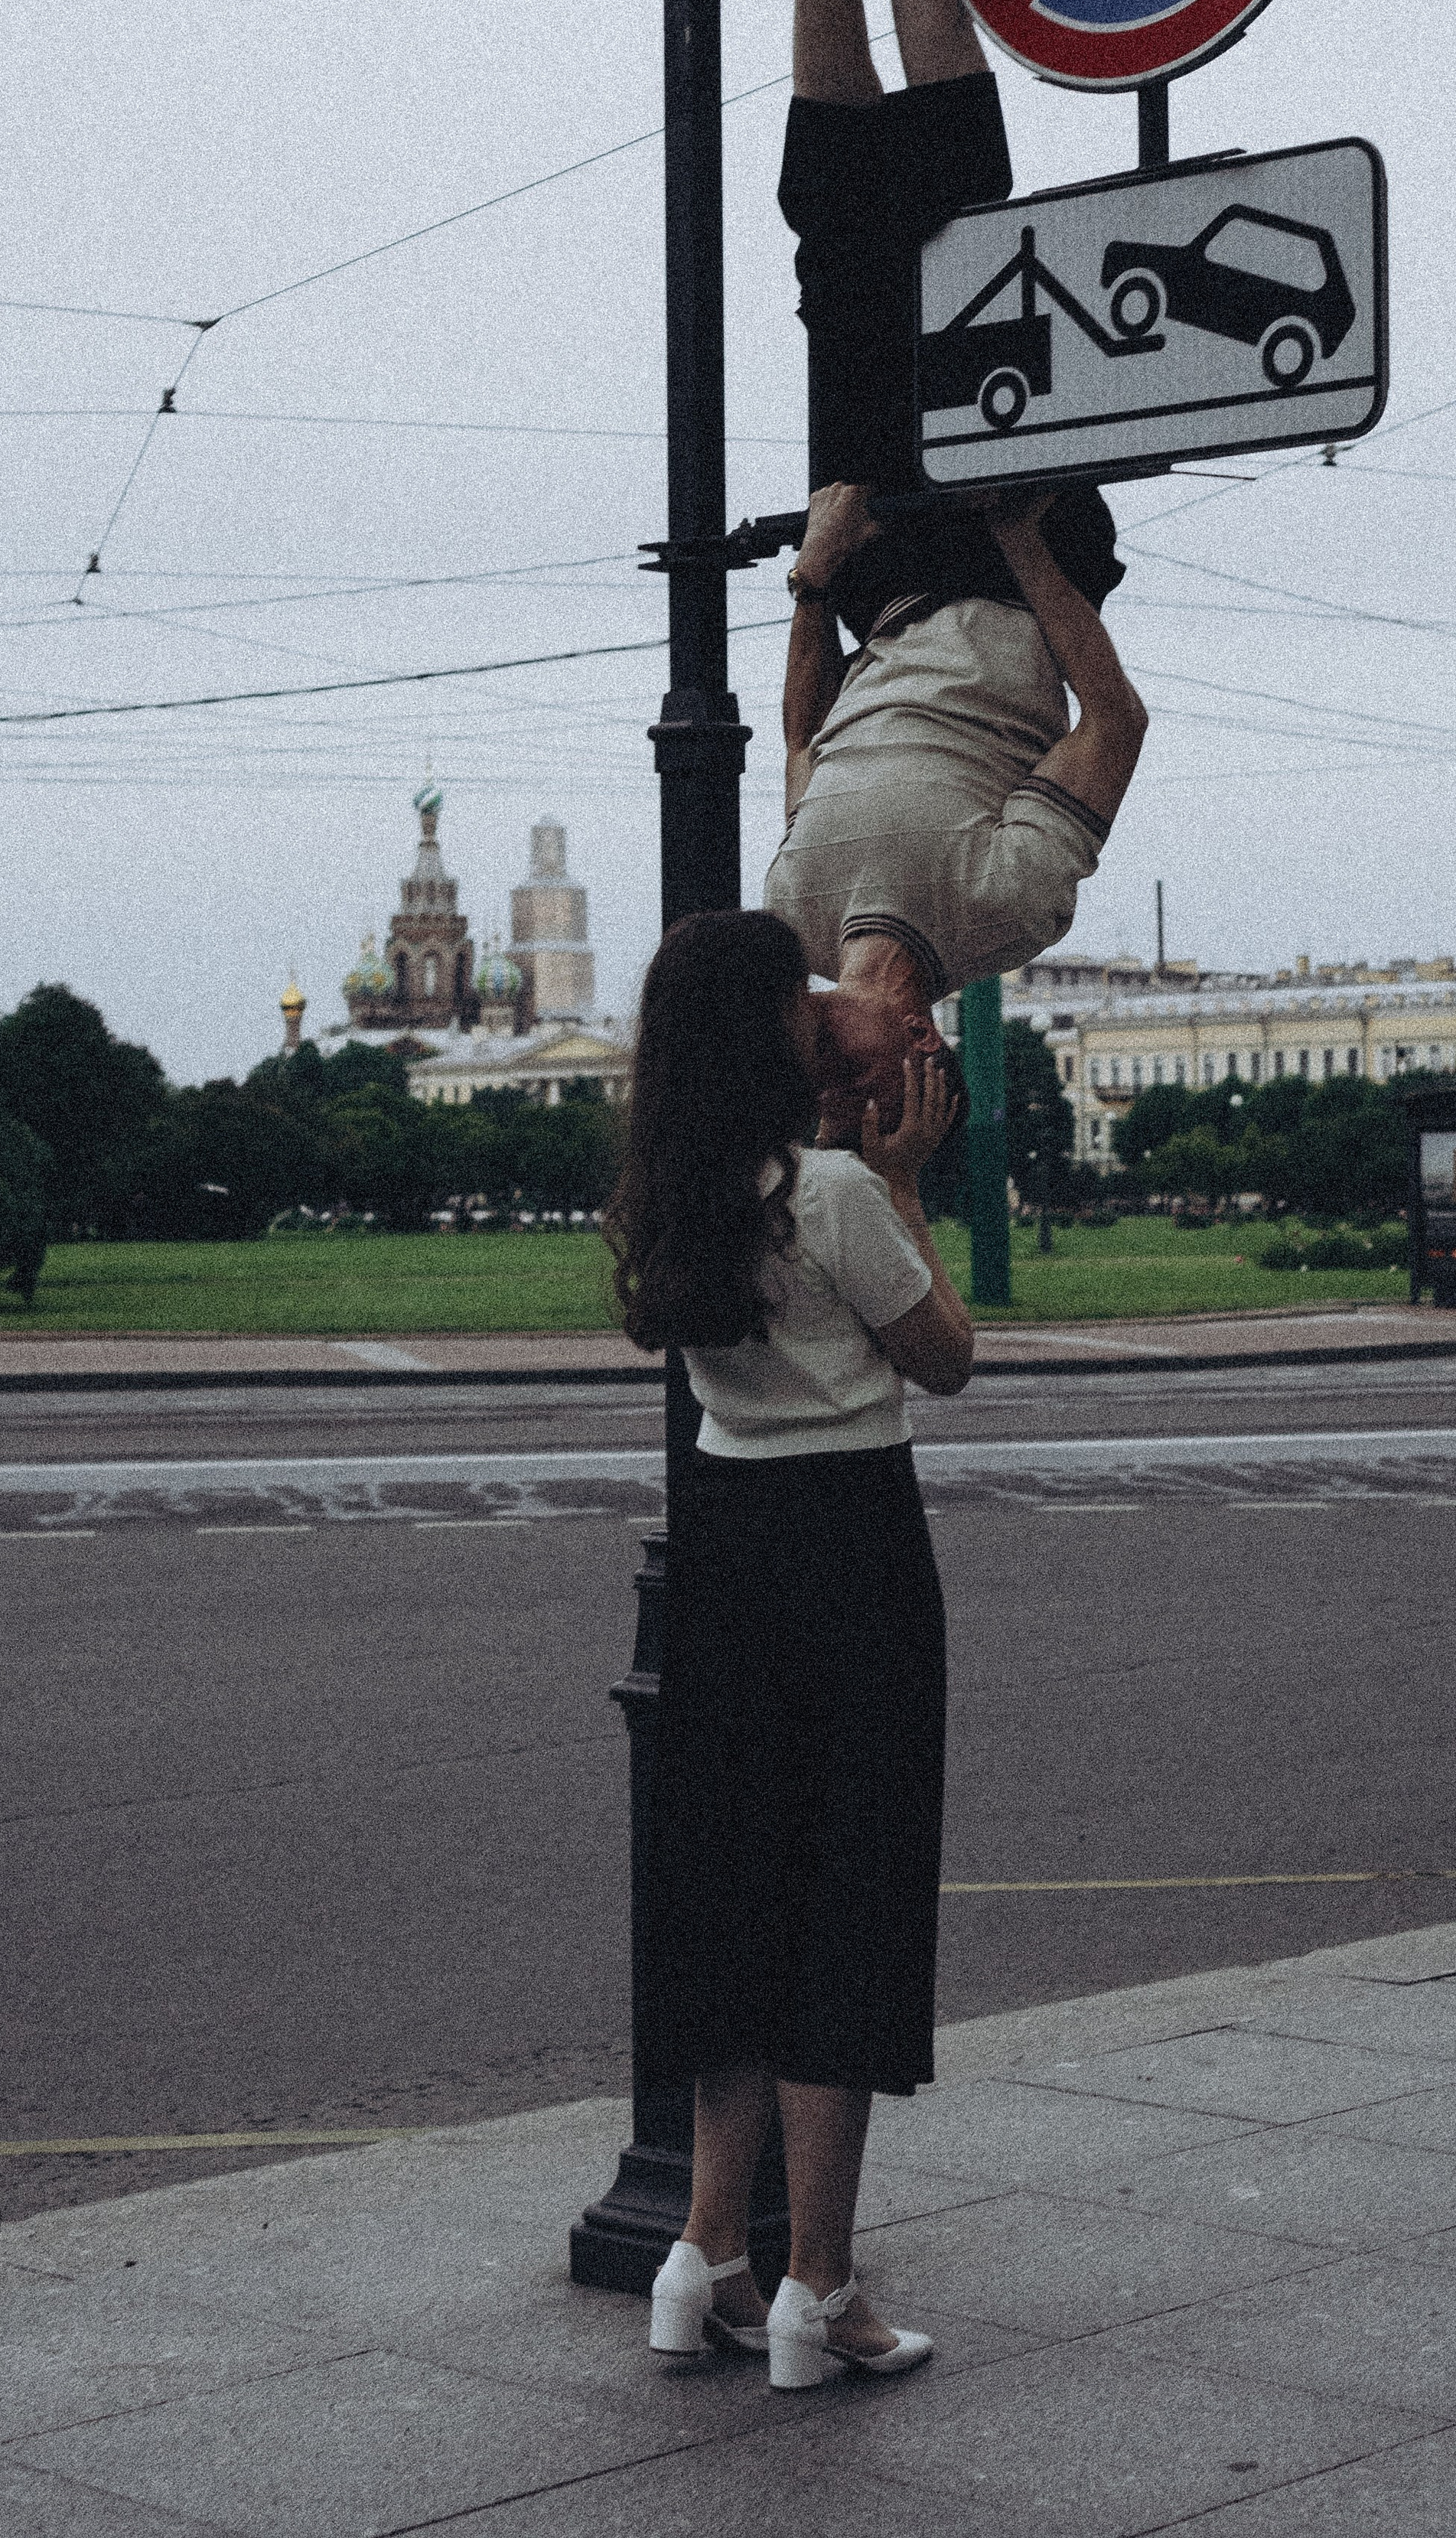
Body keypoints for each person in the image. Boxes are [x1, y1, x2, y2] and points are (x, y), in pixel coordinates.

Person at [671, 0, 1151, 1116]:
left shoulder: (796, 919)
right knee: (952, 217)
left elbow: (804, 747)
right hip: (1010, 564)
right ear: (916, 1057)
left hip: (873, 578)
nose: (834, 1053)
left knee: (828, 233)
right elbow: (1115, 722)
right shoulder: (1005, 919)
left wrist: (811, 588)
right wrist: (1024, 537)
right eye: (858, 1075)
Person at [605, 908, 973, 2388]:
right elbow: (947, 1356)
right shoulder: (831, 1195)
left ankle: (705, 2257)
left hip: (726, 1551)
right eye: (802, 991)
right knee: (848, 1901)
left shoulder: (677, 1198)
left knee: (736, 1897)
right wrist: (906, 1184)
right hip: (852, 1546)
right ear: (767, 1029)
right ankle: (821, 2285)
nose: (827, 1002)